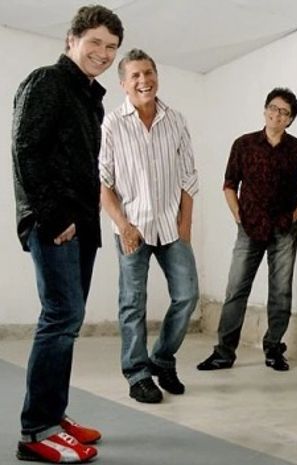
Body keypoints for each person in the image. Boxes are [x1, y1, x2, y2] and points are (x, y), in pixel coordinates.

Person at [11, 5, 123, 463]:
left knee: (68, 322)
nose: (103, 53)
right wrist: (54, 217)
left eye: (111, 47)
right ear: (71, 41)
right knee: (60, 317)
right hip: (55, 224)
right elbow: (26, 149)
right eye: (95, 42)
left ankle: (54, 416)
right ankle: (37, 430)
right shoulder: (48, 81)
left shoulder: (88, 95)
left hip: (81, 225)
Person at [99, 49, 199, 404]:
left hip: (171, 226)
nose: (144, 80)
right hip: (133, 228)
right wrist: (123, 225)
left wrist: (185, 226)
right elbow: (103, 183)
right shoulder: (112, 124)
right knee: (132, 302)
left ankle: (162, 358)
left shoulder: (176, 120)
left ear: (157, 76)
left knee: (187, 296)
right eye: (136, 76)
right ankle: (138, 374)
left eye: (149, 73)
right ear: (124, 84)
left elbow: (189, 177)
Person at [197, 88, 297, 372]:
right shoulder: (244, 144)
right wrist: (238, 215)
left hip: (283, 229)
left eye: (284, 112)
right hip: (249, 228)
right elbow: (229, 184)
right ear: (265, 110)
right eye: (273, 108)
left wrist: (293, 217)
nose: (277, 115)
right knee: (236, 289)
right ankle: (224, 352)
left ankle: (274, 348)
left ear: (290, 119)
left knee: (281, 292)